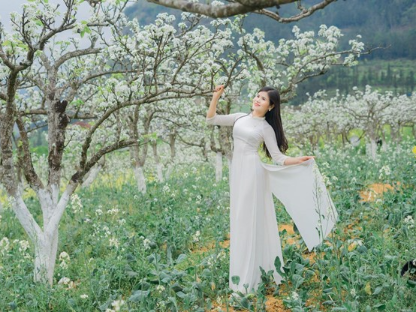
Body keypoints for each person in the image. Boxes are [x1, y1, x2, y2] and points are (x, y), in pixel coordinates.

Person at [206, 85, 338, 294]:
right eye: (257, 96)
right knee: (239, 220)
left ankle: (249, 280)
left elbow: (278, 157)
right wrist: (216, 96)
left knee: (248, 221)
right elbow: (211, 119)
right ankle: (242, 273)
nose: (257, 100)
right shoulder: (240, 118)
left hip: (252, 174)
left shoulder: (265, 129)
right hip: (238, 174)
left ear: (271, 106)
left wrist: (300, 160)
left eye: (263, 99)